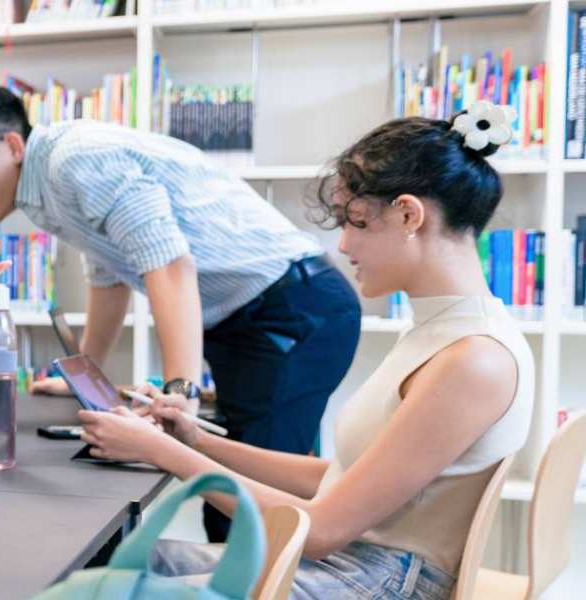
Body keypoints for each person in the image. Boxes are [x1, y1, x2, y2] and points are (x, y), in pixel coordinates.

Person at [79, 110, 538, 599]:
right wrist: (196, 440)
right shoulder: (447, 334)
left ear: (409, 214)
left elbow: (320, 530)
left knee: (100, 582)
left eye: (356, 223)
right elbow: (343, 480)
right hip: (355, 566)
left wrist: (158, 450)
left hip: (371, 583)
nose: (342, 245)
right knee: (99, 560)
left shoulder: (473, 359)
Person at [0, 86, 362, 540]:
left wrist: (180, 392)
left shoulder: (74, 160)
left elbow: (169, 265)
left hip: (291, 310)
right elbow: (109, 277)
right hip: (253, 318)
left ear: (12, 145)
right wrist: (84, 370)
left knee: (241, 508)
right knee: (253, 487)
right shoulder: (44, 185)